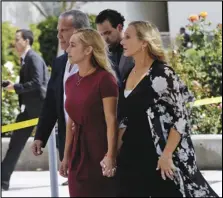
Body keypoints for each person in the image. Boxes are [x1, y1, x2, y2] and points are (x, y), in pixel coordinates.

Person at [116, 21, 219, 197]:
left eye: (127, 37)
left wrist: (167, 155)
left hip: (157, 156)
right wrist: (114, 153)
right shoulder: (128, 73)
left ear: (144, 42)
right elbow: (125, 118)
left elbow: (180, 117)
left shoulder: (162, 74)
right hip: (131, 155)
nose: (121, 41)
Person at [31, 10, 90, 185]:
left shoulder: (101, 62)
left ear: (80, 31)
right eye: (58, 30)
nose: (59, 36)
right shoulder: (59, 63)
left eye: (64, 30)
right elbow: (51, 103)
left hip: (94, 142)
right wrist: (40, 136)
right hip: (67, 142)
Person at [59, 28, 119, 197]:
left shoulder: (105, 79)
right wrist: (65, 157)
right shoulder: (70, 81)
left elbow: (111, 120)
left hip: (99, 151)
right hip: (77, 154)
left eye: (73, 45)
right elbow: (70, 122)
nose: (67, 50)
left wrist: (110, 156)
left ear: (88, 50)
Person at [2, 29, 49, 191]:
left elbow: (38, 82)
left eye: (17, 40)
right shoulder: (25, 59)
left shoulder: (33, 58)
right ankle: (3, 181)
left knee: (61, 142)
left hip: (42, 110)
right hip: (29, 111)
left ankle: (72, 174)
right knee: (15, 144)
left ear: (26, 41)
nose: (15, 43)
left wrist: (15, 87)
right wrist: (12, 85)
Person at [96, 9, 134, 86]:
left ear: (119, 27)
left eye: (108, 33)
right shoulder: (100, 53)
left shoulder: (135, 49)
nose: (105, 39)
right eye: (101, 35)